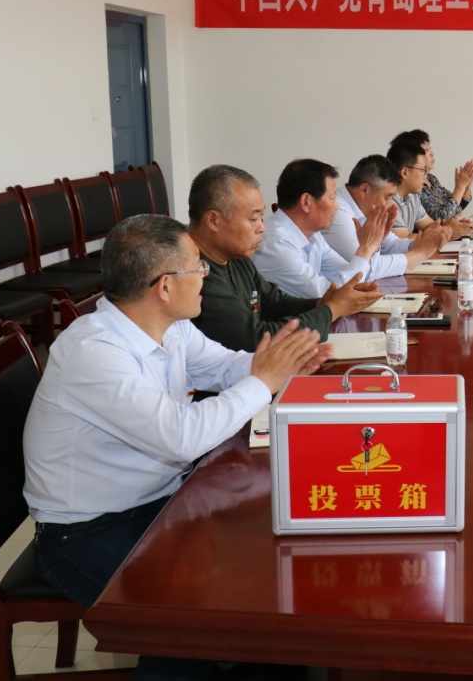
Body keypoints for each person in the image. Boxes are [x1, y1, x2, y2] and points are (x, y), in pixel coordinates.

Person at [25, 214, 328, 679]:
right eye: (198, 268)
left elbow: (226, 367)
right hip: (85, 533)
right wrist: (264, 380)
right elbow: (182, 438)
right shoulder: (95, 352)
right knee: (188, 621)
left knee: (267, 566)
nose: (206, 275)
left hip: (161, 503)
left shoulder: (170, 326)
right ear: (164, 286)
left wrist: (279, 364)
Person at [188, 164, 382, 351]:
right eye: (253, 219)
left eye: (261, 217)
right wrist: (331, 309)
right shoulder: (194, 274)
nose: (262, 227)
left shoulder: (236, 259)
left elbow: (273, 303)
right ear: (213, 220)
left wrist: (322, 303)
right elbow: (255, 339)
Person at [253, 158, 392, 298]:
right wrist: (366, 248)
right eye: (332, 198)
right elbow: (331, 297)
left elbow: (356, 276)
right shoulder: (277, 244)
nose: (336, 206)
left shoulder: (314, 236)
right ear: (306, 202)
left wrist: (372, 246)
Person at [325, 154, 449, 280]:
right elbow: (367, 267)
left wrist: (422, 242)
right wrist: (419, 254)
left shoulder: (367, 207)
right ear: (364, 190)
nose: (390, 205)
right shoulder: (337, 213)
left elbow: (390, 244)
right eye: (387, 198)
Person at [386, 142, 473, 239]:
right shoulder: (388, 200)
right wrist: (447, 232)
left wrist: (457, 227)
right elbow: (402, 239)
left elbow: (431, 227)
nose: (425, 176)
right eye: (422, 170)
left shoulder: (412, 197)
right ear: (405, 172)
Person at [390, 128, 473, 222]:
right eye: (426, 150)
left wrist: (465, 189)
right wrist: (460, 188)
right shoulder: (413, 189)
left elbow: (454, 206)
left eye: (430, 149)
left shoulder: (431, 179)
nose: (432, 153)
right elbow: (441, 217)